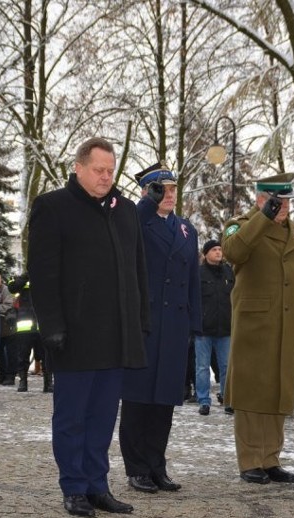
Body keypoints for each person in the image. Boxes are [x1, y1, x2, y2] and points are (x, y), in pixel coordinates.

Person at [28, 137, 149, 517]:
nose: (106, 177)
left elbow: (138, 270)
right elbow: (43, 273)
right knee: (72, 417)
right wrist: (51, 326)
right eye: (99, 170)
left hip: (116, 334)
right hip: (74, 334)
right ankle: (74, 487)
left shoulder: (125, 210)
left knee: (102, 417)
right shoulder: (53, 207)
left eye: (111, 171)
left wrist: (140, 320)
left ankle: (98, 485)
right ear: (78, 167)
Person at [221, 172, 294, 485]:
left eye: (286, 200)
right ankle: (250, 459)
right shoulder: (241, 224)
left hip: (288, 324)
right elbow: (233, 253)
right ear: (260, 199)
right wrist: (262, 218)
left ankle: (271, 458)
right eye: (276, 200)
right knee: (251, 392)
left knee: (279, 392)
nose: (283, 206)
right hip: (256, 324)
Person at [119, 164, 200, 494]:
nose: (169, 195)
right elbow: (127, 232)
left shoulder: (186, 230)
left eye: (172, 189)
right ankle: (136, 467)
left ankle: (157, 465)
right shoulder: (137, 221)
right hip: (145, 324)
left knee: (165, 400)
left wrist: (194, 323)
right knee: (138, 399)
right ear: (146, 192)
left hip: (174, 327)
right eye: (160, 189)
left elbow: (193, 279)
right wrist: (145, 205)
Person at [195, 239, 234, 416]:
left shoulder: (228, 272)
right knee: (202, 367)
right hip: (204, 328)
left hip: (225, 327)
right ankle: (204, 401)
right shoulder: (199, 273)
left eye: (220, 249)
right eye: (214, 250)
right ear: (206, 254)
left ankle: (227, 399)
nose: (218, 252)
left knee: (226, 366)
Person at [8, 274, 51, 392]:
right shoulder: (22, 278)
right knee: (22, 355)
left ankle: (48, 383)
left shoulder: (45, 276)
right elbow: (12, 287)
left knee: (46, 356)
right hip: (25, 325)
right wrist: (26, 275)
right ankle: (23, 382)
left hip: (41, 324)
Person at [0, 273, 18, 385]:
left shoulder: (6, 290)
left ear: (1, 278)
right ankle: (1, 375)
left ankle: (10, 376)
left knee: (11, 353)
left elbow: (8, 305)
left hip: (8, 326)